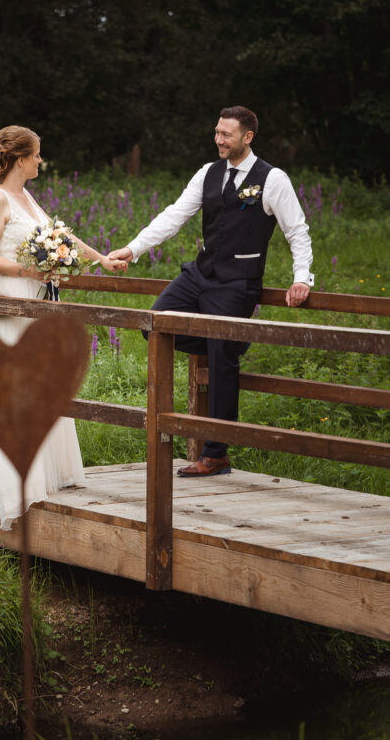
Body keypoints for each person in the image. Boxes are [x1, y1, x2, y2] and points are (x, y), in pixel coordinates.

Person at [110, 106, 313, 477]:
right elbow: (174, 215)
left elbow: (296, 231)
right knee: (155, 324)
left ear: (247, 137)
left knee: (221, 364)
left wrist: (303, 278)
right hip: (200, 274)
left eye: (226, 134)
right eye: (217, 132)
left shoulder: (272, 179)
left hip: (238, 282)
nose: (219, 139)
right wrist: (133, 248)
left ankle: (215, 453)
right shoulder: (208, 172)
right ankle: (231, 343)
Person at [0, 125, 127, 528]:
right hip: (8, 299)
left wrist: (101, 259)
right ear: (20, 160)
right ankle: (9, 483)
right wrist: (26, 269)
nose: (39, 161)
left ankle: (39, 474)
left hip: (38, 300)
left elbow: (61, 238)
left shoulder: (27, 197)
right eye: (35, 155)